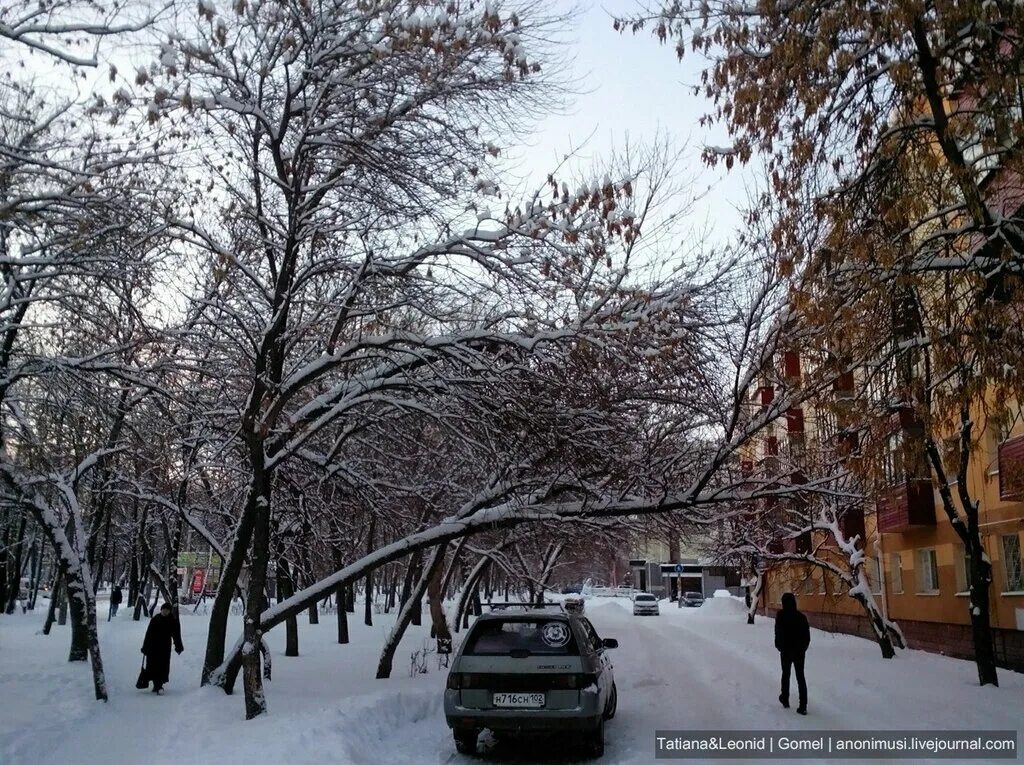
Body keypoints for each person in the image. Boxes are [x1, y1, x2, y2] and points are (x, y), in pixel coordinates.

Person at [774, 592, 810, 715]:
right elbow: (807, 636)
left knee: (786, 675)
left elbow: (778, 633)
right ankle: (803, 705)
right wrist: (803, 648)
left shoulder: (780, 616)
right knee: (800, 677)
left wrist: (779, 646)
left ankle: (785, 698)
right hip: (799, 652)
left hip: (785, 651)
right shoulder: (801, 617)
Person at [141, 602, 183, 693]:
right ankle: (156, 685)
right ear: (161, 610)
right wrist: (145, 647)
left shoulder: (172, 620)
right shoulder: (155, 619)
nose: (165, 612)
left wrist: (178, 646)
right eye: (164, 610)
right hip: (153, 647)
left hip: (165, 647)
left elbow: (176, 635)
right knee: (152, 665)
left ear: (169, 611)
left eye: (167, 610)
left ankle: (159, 685)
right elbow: (148, 634)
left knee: (162, 666)